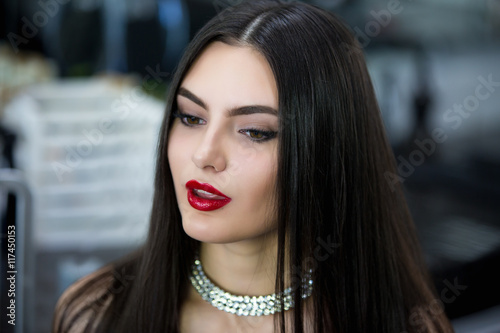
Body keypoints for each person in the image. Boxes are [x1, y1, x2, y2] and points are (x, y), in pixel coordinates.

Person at [52, 1, 454, 332]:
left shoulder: (405, 324)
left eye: (255, 132)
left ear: (327, 149)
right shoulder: (95, 313)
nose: (205, 155)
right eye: (191, 117)